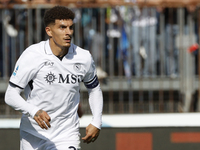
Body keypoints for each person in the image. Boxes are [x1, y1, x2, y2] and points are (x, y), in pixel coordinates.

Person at [5, 6, 103, 150]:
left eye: (71, 27)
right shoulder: (32, 55)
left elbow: (94, 89)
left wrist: (96, 121)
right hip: (33, 135)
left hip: (66, 135)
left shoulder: (83, 57)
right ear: (49, 31)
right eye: (62, 28)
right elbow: (10, 95)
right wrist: (34, 111)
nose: (68, 33)